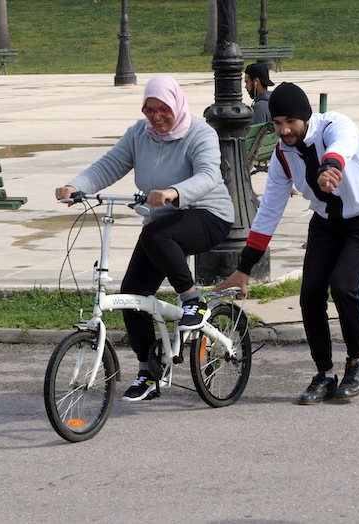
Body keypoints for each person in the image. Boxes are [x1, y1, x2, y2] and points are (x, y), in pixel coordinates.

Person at [54, 74, 234, 403]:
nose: (155, 117)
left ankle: (193, 298)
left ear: (175, 104)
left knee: (155, 233)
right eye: (148, 110)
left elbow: (209, 175)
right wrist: (75, 186)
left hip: (208, 215)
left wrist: (174, 192)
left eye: (162, 109)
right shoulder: (139, 134)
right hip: (163, 226)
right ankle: (148, 373)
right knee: (133, 295)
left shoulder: (199, 133)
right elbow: (110, 164)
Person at [213, 82, 359, 405]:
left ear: (305, 117)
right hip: (326, 221)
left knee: (344, 286)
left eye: (289, 122)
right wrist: (245, 267)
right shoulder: (283, 154)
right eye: (277, 124)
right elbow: (269, 211)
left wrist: (331, 167)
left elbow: (344, 145)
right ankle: (324, 374)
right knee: (309, 295)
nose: (283, 130)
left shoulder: (334, 126)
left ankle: (358, 362)